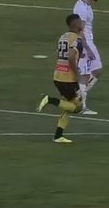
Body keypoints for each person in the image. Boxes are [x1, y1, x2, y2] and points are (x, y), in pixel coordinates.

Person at [36, 14, 85, 144]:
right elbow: (70, 57)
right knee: (77, 108)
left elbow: (58, 54)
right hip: (68, 79)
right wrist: (77, 75)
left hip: (58, 75)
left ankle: (58, 136)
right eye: (80, 22)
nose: (82, 24)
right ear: (75, 24)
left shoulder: (63, 37)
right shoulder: (76, 39)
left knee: (68, 106)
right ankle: (50, 99)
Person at [73, 0, 102, 115]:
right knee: (85, 74)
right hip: (85, 43)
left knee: (97, 71)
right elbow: (80, 29)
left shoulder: (85, 5)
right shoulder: (83, 9)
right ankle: (81, 105)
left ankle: (79, 94)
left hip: (88, 42)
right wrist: (87, 49)